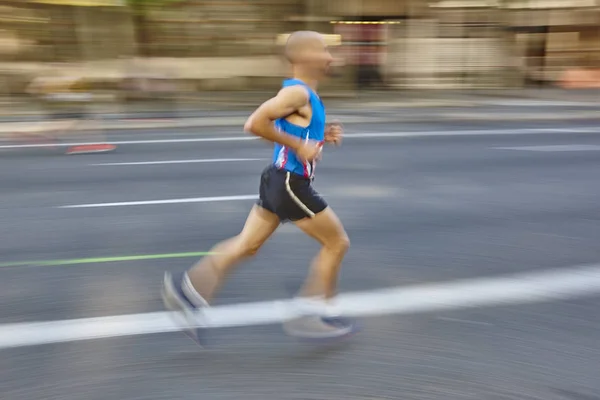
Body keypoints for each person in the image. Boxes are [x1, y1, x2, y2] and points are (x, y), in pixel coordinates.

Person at [162, 31, 357, 344]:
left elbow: (284, 131)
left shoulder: (303, 95)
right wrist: (299, 145)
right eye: (324, 50)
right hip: (291, 184)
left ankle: (186, 293)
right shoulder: (298, 94)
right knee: (337, 243)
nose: (331, 57)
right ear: (306, 56)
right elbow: (255, 124)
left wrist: (320, 138)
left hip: (277, 180)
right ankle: (311, 313)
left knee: (246, 246)